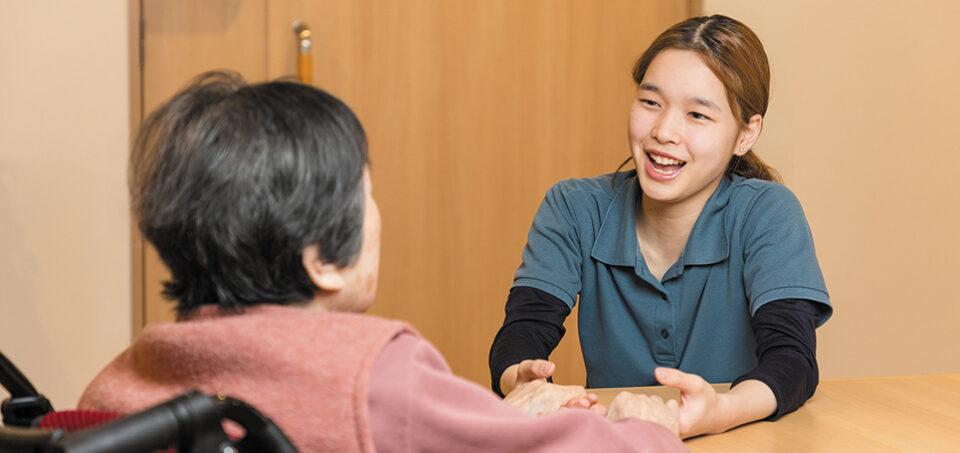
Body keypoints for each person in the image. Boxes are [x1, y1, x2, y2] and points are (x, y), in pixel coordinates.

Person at [78, 71, 688, 452]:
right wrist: (645, 426)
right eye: (366, 196)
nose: (376, 213)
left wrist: (498, 414)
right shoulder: (373, 378)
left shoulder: (121, 381)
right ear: (322, 258)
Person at [489, 14, 833, 439]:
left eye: (697, 115)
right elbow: (523, 332)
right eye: (650, 102)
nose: (664, 131)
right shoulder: (573, 207)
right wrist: (521, 381)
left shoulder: (768, 213)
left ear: (746, 133)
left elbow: (794, 360)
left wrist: (717, 413)